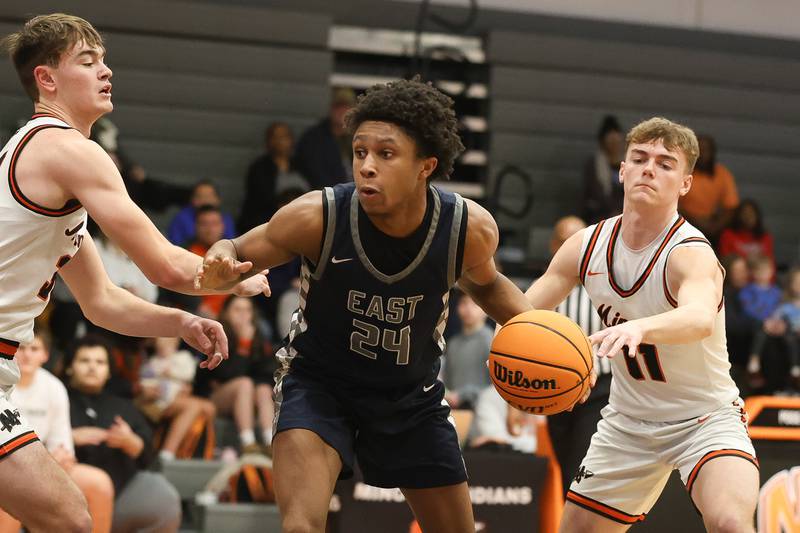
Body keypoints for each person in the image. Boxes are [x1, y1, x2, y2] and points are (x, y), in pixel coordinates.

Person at [196, 78, 537, 533]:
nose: (367, 167)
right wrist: (220, 259)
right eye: (360, 152)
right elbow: (236, 247)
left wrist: (542, 335)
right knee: (300, 528)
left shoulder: (466, 228)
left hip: (410, 395)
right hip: (320, 386)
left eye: (386, 154)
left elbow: (488, 285)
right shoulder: (317, 216)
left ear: (426, 166)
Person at [0, 13, 267, 531]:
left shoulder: (42, 160)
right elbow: (165, 264)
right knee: (69, 517)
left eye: (104, 60)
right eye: (88, 61)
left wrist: (181, 322)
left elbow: (101, 300)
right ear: (46, 79)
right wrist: (234, 275)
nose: (106, 71)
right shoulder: (68, 150)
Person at [512, 117, 758, 532]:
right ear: (622, 170)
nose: (649, 169)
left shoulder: (690, 252)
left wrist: (640, 328)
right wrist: (508, 349)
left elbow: (699, 318)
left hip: (703, 418)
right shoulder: (585, 245)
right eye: (640, 158)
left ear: (685, 183)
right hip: (627, 424)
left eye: (665, 163)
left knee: (730, 521)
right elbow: (524, 313)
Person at [0, 330, 114, 533]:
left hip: (47, 461)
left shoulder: (54, 387)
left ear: (45, 355)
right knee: (11, 490)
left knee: (99, 484)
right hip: (7, 462)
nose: (27, 355)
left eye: (34, 349)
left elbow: (63, 448)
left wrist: (51, 462)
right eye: (21, 348)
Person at [66, 337, 182, 533]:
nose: (92, 367)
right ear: (70, 367)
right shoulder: (56, 397)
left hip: (120, 492)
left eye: (100, 362)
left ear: (109, 371)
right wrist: (71, 437)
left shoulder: (124, 406)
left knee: (162, 497)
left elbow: (148, 454)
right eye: (84, 360)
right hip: (67, 494)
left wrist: (131, 442)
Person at [543, 215, 612, 499]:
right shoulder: (544, 288)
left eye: (577, 239)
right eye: (563, 240)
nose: (570, 246)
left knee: (581, 467)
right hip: (554, 390)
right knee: (565, 468)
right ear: (553, 245)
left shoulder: (608, 286)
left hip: (598, 389)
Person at [195, 296, 277, 455]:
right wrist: (243, 346)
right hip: (215, 397)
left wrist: (248, 343)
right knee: (244, 383)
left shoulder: (258, 336)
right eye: (237, 310)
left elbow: (267, 374)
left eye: (248, 310)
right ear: (226, 313)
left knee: (263, 389)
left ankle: (270, 442)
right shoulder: (215, 337)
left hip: (248, 396)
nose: (243, 315)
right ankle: (248, 443)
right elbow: (225, 374)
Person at [137, 337, 216, 462]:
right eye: (161, 343)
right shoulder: (151, 362)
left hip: (177, 395)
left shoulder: (183, 357)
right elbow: (145, 383)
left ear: (176, 342)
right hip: (160, 402)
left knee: (209, 408)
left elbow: (188, 375)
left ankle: (201, 452)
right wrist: (150, 388)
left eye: (169, 342)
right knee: (193, 406)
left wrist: (171, 374)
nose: (165, 346)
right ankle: (167, 452)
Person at [238, 121, 309, 233]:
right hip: (269, 222)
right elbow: (259, 200)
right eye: (276, 137)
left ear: (291, 140)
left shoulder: (302, 165)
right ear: (268, 141)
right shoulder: (259, 168)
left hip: (302, 217)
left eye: (284, 136)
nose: (280, 141)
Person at [678, 134, 739, 245]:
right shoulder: (683, 172)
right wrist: (695, 222)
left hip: (714, 227)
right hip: (684, 223)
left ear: (713, 152)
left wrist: (715, 227)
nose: (703, 154)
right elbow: (673, 204)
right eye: (699, 150)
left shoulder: (722, 174)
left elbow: (731, 208)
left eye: (706, 150)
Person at [293, 87, 357, 188]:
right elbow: (315, 175)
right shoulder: (313, 139)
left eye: (346, 107)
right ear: (331, 109)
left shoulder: (357, 136)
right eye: (338, 107)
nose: (342, 111)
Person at [440, 292, 493, 410]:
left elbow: (496, 386)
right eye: (464, 303)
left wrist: (464, 394)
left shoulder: (492, 342)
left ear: (486, 309)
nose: (468, 308)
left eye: (475, 304)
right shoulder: (453, 343)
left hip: (484, 410)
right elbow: (447, 380)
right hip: (454, 410)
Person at [581, 115, 625, 224]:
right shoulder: (595, 164)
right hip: (600, 216)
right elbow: (594, 192)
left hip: (625, 214)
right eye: (610, 138)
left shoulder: (629, 162)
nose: (614, 142)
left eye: (616, 137)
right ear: (603, 141)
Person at [167, 180, 237, 246]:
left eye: (209, 196)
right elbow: (175, 244)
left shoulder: (226, 218)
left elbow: (232, 242)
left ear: (218, 199)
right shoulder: (181, 218)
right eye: (199, 196)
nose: (210, 230)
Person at [718, 199, 775, 268]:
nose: (748, 217)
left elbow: (770, 265)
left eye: (751, 214)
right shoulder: (728, 235)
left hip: (761, 274)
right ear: (738, 216)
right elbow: (725, 263)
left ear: (757, 216)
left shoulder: (765, 237)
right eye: (745, 214)